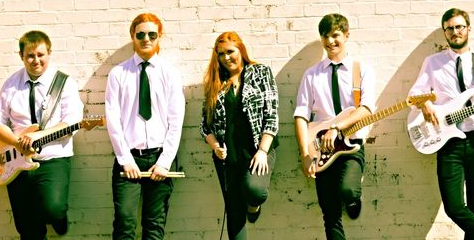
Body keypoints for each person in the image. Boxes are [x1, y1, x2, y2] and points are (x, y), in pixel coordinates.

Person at [0, 30, 84, 238]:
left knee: (53, 209)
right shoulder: (12, 84)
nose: (36, 60)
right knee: (26, 228)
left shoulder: (64, 83)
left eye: (40, 55)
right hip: (15, 163)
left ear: (49, 53)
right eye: (30, 56)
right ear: (21, 56)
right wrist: (16, 141)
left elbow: (73, 120)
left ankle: (58, 219)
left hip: (53, 160)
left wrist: (39, 136)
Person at [409, 8, 474, 240]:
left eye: (459, 27)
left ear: (468, 29)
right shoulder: (433, 63)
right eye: (450, 28)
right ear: (445, 32)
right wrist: (423, 102)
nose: (455, 32)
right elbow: (414, 94)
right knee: (454, 207)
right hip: (448, 145)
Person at [293, 13, 376, 239]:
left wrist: (337, 128)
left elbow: (366, 109)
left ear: (346, 35)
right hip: (321, 149)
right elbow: (301, 115)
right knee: (329, 214)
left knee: (347, 190)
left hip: (352, 145)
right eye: (325, 36)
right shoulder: (311, 75)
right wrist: (304, 154)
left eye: (335, 35)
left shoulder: (362, 70)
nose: (330, 42)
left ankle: (352, 200)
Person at [105, 13, 185, 240]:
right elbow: (113, 121)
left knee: (154, 225)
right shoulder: (118, 74)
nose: (146, 39)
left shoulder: (170, 73)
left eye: (152, 34)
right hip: (128, 160)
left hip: (160, 159)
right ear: (133, 36)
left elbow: (175, 121)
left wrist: (165, 162)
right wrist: (125, 159)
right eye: (140, 34)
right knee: (124, 222)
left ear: (160, 36)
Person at [199, 31, 279, 239]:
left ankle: (253, 208)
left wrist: (263, 151)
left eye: (230, 51)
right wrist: (215, 146)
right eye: (221, 54)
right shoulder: (215, 84)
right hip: (228, 159)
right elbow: (205, 127)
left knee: (255, 191)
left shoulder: (261, 72)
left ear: (241, 50)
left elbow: (271, 115)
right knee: (234, 215)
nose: (226, 57)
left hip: (257, 152)